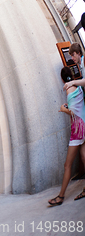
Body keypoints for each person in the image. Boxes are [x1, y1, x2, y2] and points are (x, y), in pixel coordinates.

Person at [49, 67, 85, 206]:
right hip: (84, 125)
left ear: (62, 79)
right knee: (83, 157)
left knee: (67, 165)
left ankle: (60, 197)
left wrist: (64, 109)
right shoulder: (78, 88)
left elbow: (73, 113)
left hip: (78, 129)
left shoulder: (69, 91)